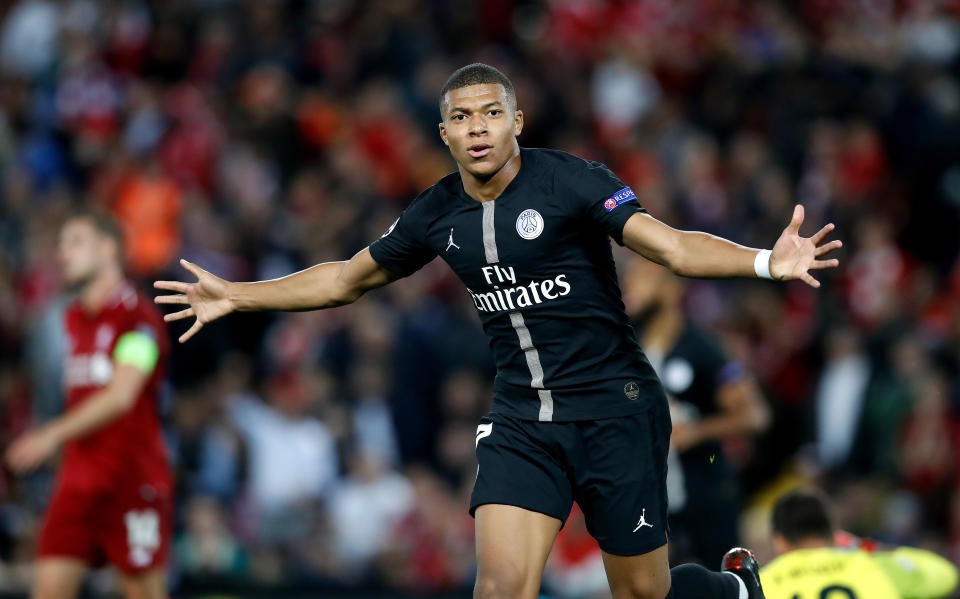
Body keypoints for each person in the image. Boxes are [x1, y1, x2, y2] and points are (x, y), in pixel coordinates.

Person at [155, 63, 842, 599]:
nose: (477, 128)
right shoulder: (435, 213)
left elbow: (671, 248)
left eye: (490, 113)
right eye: (461, 117)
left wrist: (764, 261)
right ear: (444, 135)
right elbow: (344, 279)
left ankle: (729, 588)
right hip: (522, 420)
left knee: (644, 592)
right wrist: (238, 296)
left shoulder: (570, 181)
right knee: (498, 587)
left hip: (614, 409)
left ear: (518, 120)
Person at [7, 213, 172, 599]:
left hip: (131, 482)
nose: (63, 253)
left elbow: (122, 395)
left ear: (108, 247)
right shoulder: (73, 319)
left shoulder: (140, 319)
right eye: (62, 244)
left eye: (75, 242)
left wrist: (50, 435)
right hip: (77, 483)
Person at [622, 257, 770, 566]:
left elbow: (755, 415)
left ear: (672, 288)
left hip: (705, 495)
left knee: (717, 583)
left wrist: (696, 431)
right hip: (647, 499)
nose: (630, 286)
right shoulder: (625, 344)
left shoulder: (703, 347)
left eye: (642, 278)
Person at [760, 488, 958, 599]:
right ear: (833, 534)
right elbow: (945, 573)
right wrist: (868, 548)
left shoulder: (758, 584)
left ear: (779, 540)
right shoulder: (875, 566)